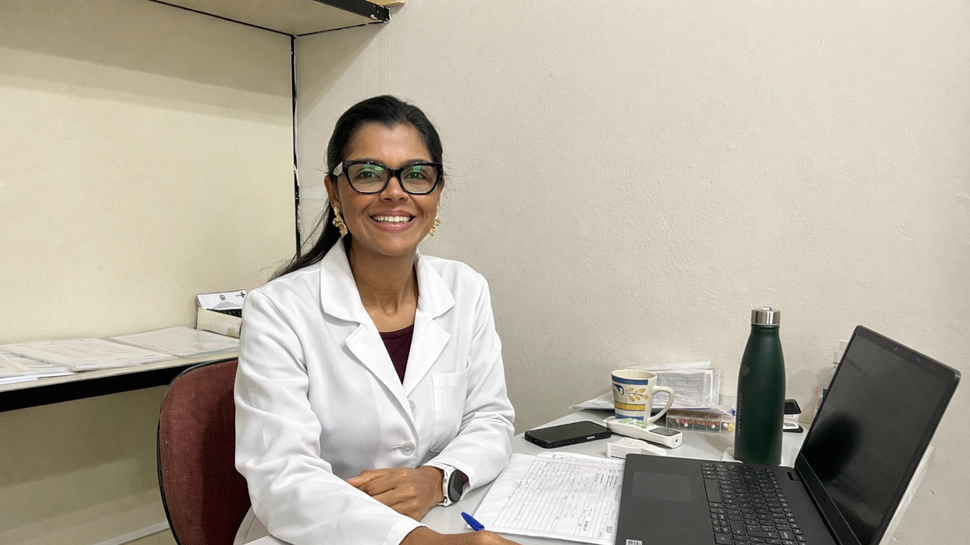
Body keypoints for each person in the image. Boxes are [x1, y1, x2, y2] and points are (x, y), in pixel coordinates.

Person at [234, 95, 517, 545]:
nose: (395, 192)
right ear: (334, 192)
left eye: (416, 174)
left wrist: (437, 478)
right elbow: (283, 476)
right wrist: (418, 541)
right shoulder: (278, 309)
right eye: (368, 174)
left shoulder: (465, 288)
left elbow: (490, 418)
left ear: (437, 191)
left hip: (440, 514)